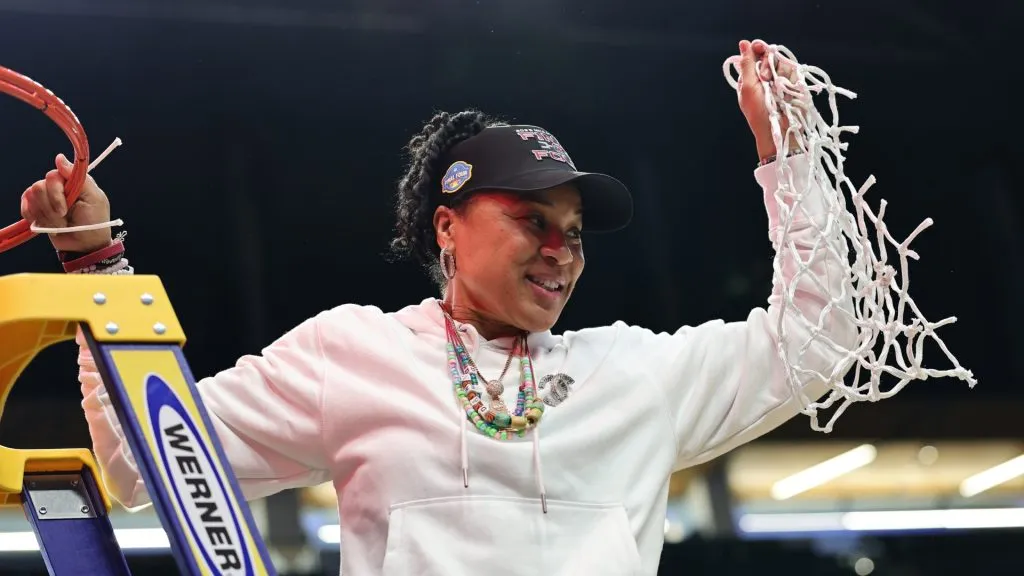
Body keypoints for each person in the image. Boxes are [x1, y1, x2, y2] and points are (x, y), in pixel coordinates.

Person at [21, 39, 855, 575]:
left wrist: (790, 158)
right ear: (447, 227)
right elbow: (141, 465)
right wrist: (96, 263)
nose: (562, 249)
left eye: (574, 232)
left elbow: (820, 342)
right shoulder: (352, 354)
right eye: (533, 220)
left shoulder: (634, 373)